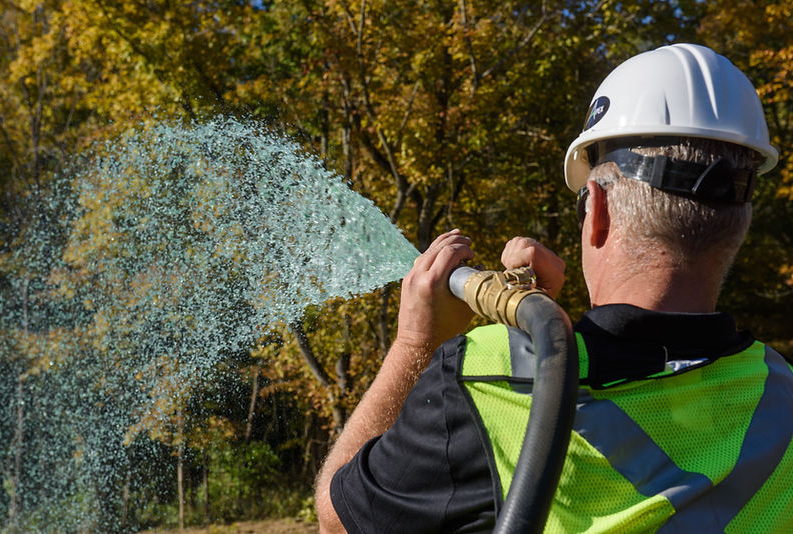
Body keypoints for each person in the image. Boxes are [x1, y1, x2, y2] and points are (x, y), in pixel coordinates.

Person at [314, 43, 793, 533]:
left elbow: (339, 517)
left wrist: (415, 343)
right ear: (738, 227)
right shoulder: (781, 392)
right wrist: (560, 334)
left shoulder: (486, 377)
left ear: (599, 212)